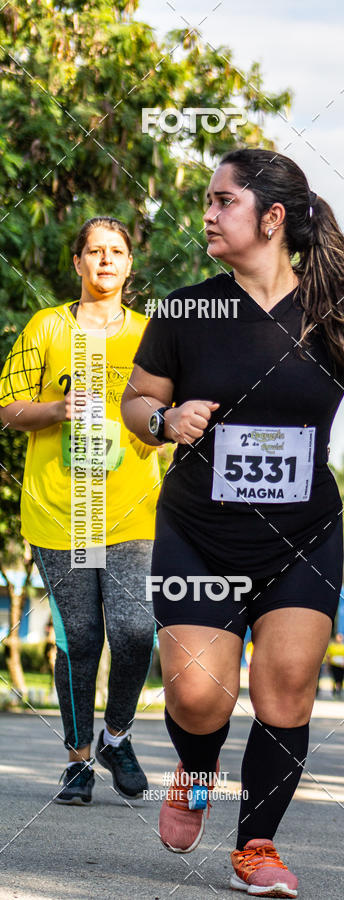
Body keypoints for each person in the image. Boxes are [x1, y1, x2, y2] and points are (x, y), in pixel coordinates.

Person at [121, 147, 344, 897]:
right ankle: (195, 768)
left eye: (224, 201)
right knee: (196, 697)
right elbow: (134, 403)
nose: (209, 214)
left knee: (286, 688)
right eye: (209, 202)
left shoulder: (337, 310)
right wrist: (164, 416)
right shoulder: (188, 308)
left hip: (302, 537)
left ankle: (257, 846)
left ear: (272, 216)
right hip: (199, 534)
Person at [0, 217, 160, 805]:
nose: (106, 260)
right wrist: (56, 411)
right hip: (59, 510)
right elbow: (5, 407)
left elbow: (169, 411)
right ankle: (77, 760)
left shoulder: (150, 333)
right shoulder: (47, 327)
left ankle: (116, 736)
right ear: (77, 263)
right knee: (82, 637)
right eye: (94, 251)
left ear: (129, 265)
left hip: (130, 509)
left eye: (116, 251)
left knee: (135, 627)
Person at [325, 632, 344, 697]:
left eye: (341, 638)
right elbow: (328, 656)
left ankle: (339, 690)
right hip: (334, 665)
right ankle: (334, 690)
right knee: (335, 678)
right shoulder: (332, 646)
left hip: (342, 666)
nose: (339, 639)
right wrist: (328, 664)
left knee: (340, 679)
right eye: (338, 637)